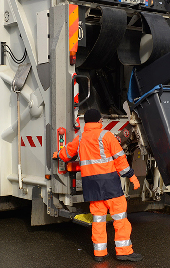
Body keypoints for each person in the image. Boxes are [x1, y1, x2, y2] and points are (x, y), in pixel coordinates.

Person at [53, 109, 143, 262]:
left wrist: (58, 155)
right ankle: (123, 252)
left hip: (91, 186)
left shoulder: (80, 138)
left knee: (98, 219)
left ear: (86, 122)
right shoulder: (106, 136)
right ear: (99, 121)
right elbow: (120, 161)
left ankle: (100, 254)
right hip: (110, 184)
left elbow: (66, 154)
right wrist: (132, 177)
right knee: (120, 218)